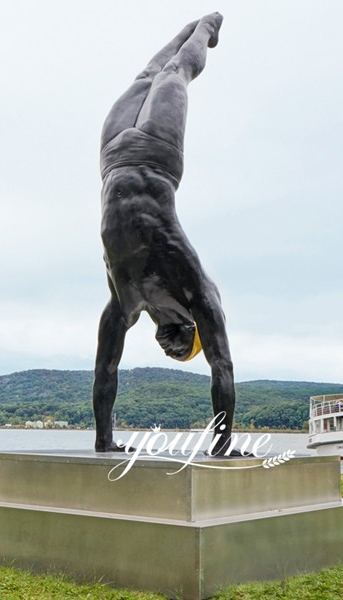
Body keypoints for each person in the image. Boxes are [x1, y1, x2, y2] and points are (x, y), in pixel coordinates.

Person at [92, 14, 237, 455]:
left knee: (151, 75)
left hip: (115, 157)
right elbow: (222, 367)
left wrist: (105, 442)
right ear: (188, 330)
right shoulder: (193, 289)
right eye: (177, 348)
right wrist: (222, 445)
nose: (168, 346)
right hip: (153, 155)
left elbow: (106, 370)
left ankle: (200, 26)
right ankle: (207, 26)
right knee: (174, 73)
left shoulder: (126, 300)